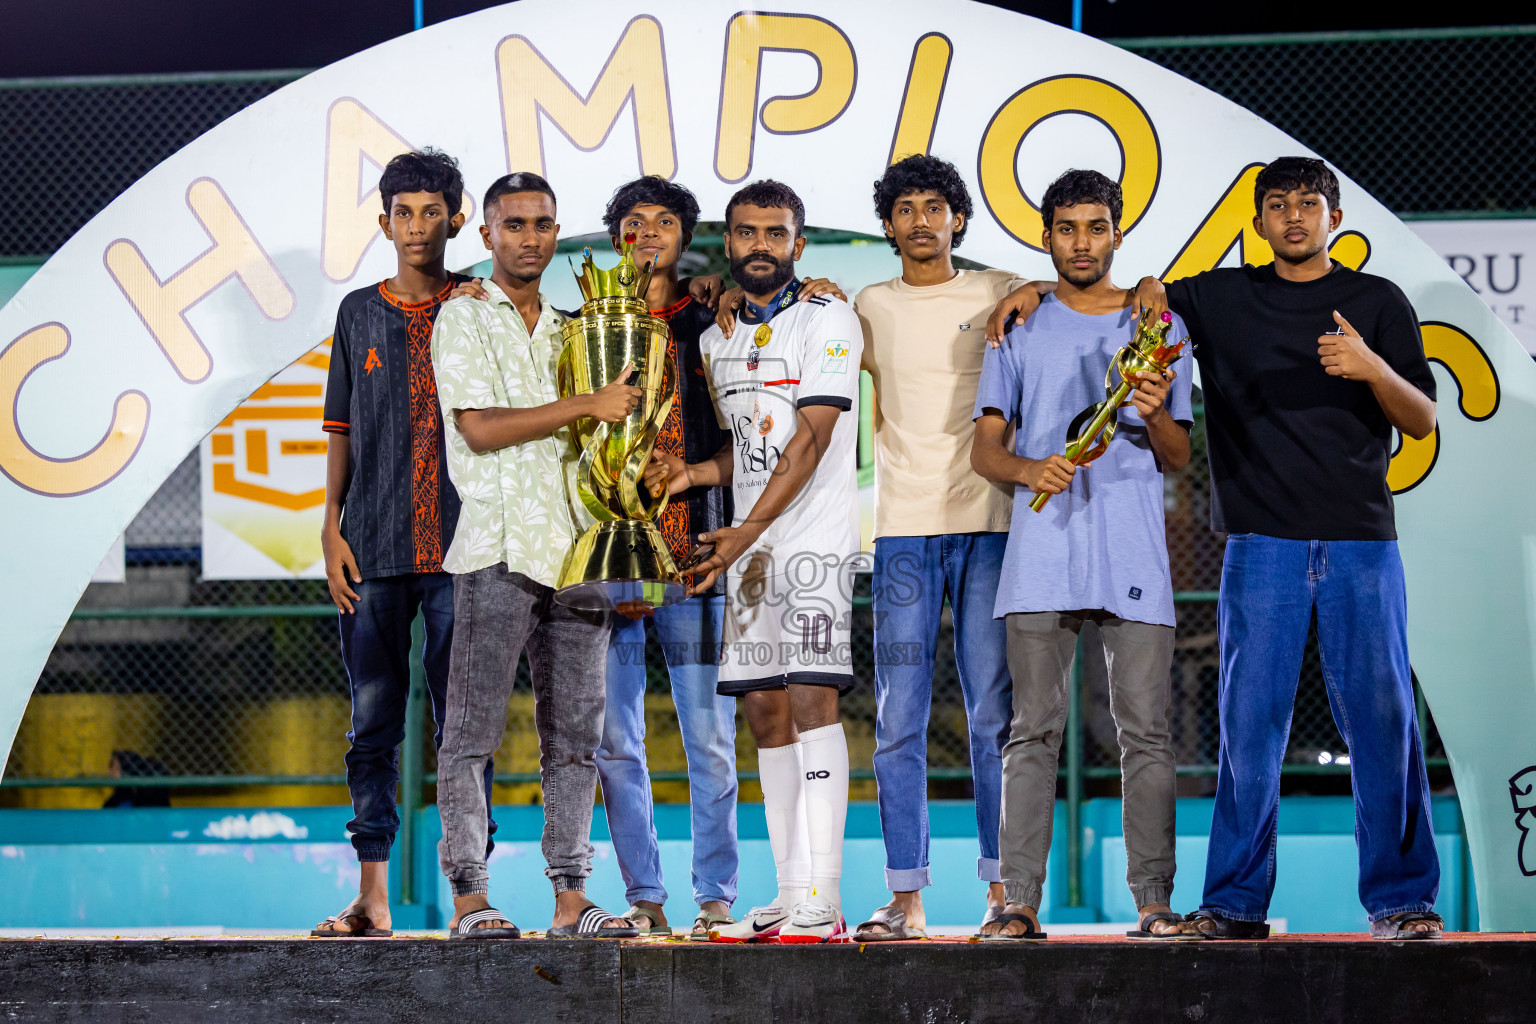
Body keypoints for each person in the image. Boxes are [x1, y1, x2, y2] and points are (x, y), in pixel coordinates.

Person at [986, 157, 1443, 940]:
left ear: (1335, 216)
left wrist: (1371, 367)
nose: (1293, 217)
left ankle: (1402, 904)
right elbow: (1135, 292)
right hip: (1258, 544)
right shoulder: (1222, 296)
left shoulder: (1376, 302)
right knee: (1248, 731)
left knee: (1384, 723)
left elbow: (1423, 419)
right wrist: (1028, 288)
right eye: (1277, 205)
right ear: (1257, 223)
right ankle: (1233, 905)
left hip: (1361, 541)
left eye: (1309, 204)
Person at [970, 169, 1192, 940]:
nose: (1082, 242)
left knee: (1147, 735)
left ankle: (1155, 904)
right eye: (1067, 228)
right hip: (1040, 556)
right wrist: (1030, 469)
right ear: (1047, 236)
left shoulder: (1158, 326)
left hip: (1132, 554)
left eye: (1096, 227)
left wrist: (1157, 410)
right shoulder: (1017, 326)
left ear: (1118, 235)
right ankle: (1018, 902)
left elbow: (1178, 454)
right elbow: (985, 449)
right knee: (1031, 730)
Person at [430, 171, 643, 939]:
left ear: (559, 235)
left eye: (543, 224)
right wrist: (588, 404)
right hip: (493, 547)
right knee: (471, 735)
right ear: (485, 235)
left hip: (577, 549)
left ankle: (570, 897)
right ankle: (469, 897)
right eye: (513, 224)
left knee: (576, 736)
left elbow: (600, 444)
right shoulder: (462, 319)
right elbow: (479, 428)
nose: (529, 237)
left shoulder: (575, 329)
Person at [660, 180, 863, 943]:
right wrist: (694, 474)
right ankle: (788, 894)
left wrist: (744, 530)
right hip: (750, 552)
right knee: (765, 715)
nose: (760, 247)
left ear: (798, 244)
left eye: (775, 234)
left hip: (810, 547)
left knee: (813, 706)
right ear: (730, 242)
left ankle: (826, 896)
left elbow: (808, 439)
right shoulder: (717, 337)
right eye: (745, 233)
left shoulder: (829, 318)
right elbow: (745, 449)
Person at [312, 148, 494, 938]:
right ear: (383, 221)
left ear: (457, 220)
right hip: (373, 549)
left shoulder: (481, 305)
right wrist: (329, 528)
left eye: (432, 212)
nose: (417, 226)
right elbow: (340, 431)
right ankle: (372, 897)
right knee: (373, 725)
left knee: (466, 728)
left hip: (464, 551)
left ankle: (471, 896)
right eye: (402, 212)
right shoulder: (358, 314)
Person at [843, 154, 1018, 941]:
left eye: (936, 206)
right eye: (906, 207)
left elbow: (1063, 300)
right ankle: (906, 899)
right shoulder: (866, 305)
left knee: (993, 717)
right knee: (899, 721)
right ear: (889, 224)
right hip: (904, 531)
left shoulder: (1000, 289)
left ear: (957, 220)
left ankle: (1003, 891)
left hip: (990, 523)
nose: (921, 219)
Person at [592, 176, 741, 941]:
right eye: (634, 221)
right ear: (615, 235)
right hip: (613, 568)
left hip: (696, 563)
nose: (648, 232)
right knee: (616, 743)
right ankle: (644, 897)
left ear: (685, 237)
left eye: (665, 222)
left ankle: (716, 896)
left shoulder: (711, 325)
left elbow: (733, 439)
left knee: (708, 737)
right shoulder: (585, 329)